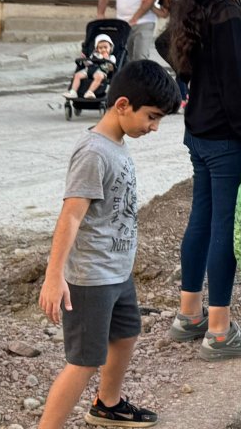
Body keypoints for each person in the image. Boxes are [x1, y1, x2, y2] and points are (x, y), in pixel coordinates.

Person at [37, 60, 180, 429]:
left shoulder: (115, 143)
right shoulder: (93, 152)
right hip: (90, 277)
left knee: (127, 331)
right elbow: (70, 216)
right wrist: (55, 277)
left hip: (117, 271)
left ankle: (108, 404)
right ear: (122, 105)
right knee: (84, 360)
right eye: (151, 117)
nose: (154, 127)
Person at [166, 0, 241, 360]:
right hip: (225, 138)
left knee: (202, 220)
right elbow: (235, 88)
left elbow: (165, 46)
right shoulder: (225, 15)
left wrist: (191, 83)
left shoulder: (196, 6)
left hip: (198, 133)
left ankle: (190, 316)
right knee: (222, 228)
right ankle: (220, 331)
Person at [154, 0, 191, 103]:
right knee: (160, 43)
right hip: (173, 28)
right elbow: (164, 13)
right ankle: (181, 74)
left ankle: (183, 96)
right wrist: (150, 5)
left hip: (188, 29)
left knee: (184, 62)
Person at [63, 34, 118, 100]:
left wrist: (107, 60)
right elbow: (89, 63)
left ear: (110, 48)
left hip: (101, 71)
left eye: (105, 47)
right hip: (90, 69)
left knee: (99, 77)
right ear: (97, 49)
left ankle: (90, 92)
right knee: (77, 75)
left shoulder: (111, 57)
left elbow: (111, 68)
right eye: (100, 48)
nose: (103, 49)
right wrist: (85, 60)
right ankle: (73, 92)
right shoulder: (94, 55)